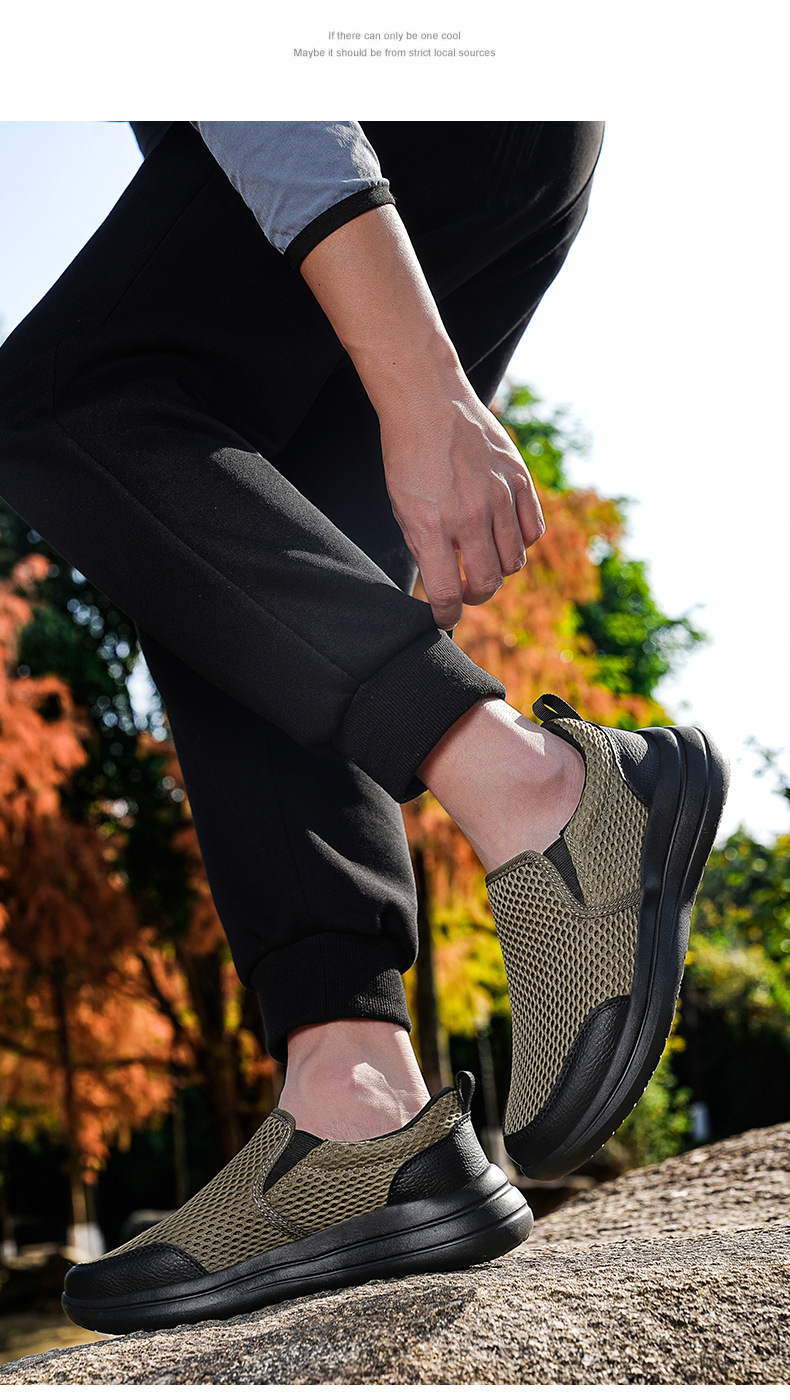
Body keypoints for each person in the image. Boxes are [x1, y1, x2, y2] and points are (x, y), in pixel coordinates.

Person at [0, 122, 728, 1335]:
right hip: (444, 149)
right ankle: (358, 1098)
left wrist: (420, 380)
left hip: (376, 124)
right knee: (216, 567)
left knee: (67, 400)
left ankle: (532, 785)